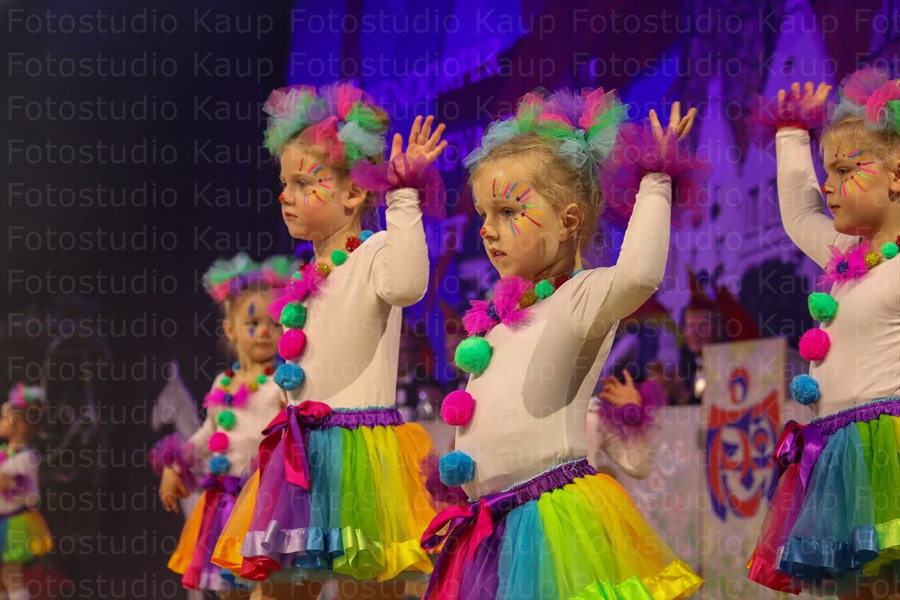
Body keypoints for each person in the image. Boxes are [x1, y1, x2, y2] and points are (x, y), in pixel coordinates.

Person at [424, 87, 705, 599]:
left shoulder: (580, 297)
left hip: (551, 518)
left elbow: (639, 276)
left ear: (569, 221)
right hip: (492, 523)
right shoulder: (500, 318)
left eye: (508, 211)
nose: (487, 230)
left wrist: (655, 179)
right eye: (484, 214)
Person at [747, 70, 900, 599]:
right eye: (826, 170)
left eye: (845, 170)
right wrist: (792, 133)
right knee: (856, 588)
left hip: (887, 450)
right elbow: (799, 213)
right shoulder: (847, 257)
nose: (828, 185)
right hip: (838, 450)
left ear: (896, 175)